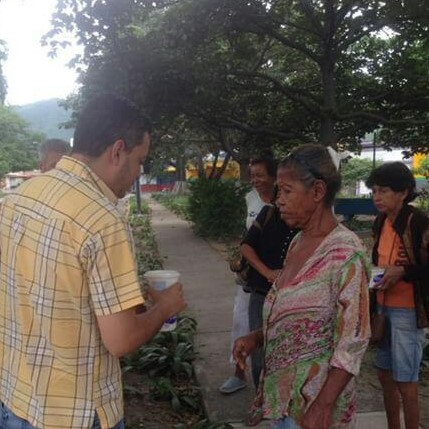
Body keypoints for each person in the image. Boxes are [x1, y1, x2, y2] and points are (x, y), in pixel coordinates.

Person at [0, 94, 186, 429]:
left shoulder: (20, 198)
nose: (139, 171)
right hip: (76, 414)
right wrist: (165, 307)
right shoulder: (103, 220)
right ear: (117, 151)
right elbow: (122, 340)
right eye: (140, 159)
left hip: (15, 400)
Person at [233, 144, 371, 429]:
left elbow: (352, 342)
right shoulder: (298, 242)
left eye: (286, 190)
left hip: (314, 412)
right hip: (282, 402)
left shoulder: (346, 254)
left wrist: (323, 406)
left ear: (318, 192)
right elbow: (302, 316)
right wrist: (257, 337)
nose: (277, 200)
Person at [365, 162, 429, 429]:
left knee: (406, 381)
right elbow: (378, 262)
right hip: (382, 308)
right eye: (374, 191)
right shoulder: (381, 222)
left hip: (407, 311)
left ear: (403, 193)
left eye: (383, 191)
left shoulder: (418, 223)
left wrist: (403, 272)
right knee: (385, 375)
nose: (377, 197)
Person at [219, 156, 276, 394]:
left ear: (274, 176)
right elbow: (247, 236)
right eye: (252, 175)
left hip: (275, 274)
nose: (255, 180)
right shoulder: (250, 199)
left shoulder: (283, 200)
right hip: (252, 274)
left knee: (271, 327)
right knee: (241, 320)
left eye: (260, 175)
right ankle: (240, 373)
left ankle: (270, 384)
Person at [241, 185, 298, 389]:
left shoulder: (309, 225)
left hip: (291, 296)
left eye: (288, 192)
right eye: (279, 193)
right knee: (258, 350)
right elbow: (246, 246)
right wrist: (267, 273)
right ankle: (260, 398)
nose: (282, 200)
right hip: (261, 292)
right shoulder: (269, 213)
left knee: (285, 348)